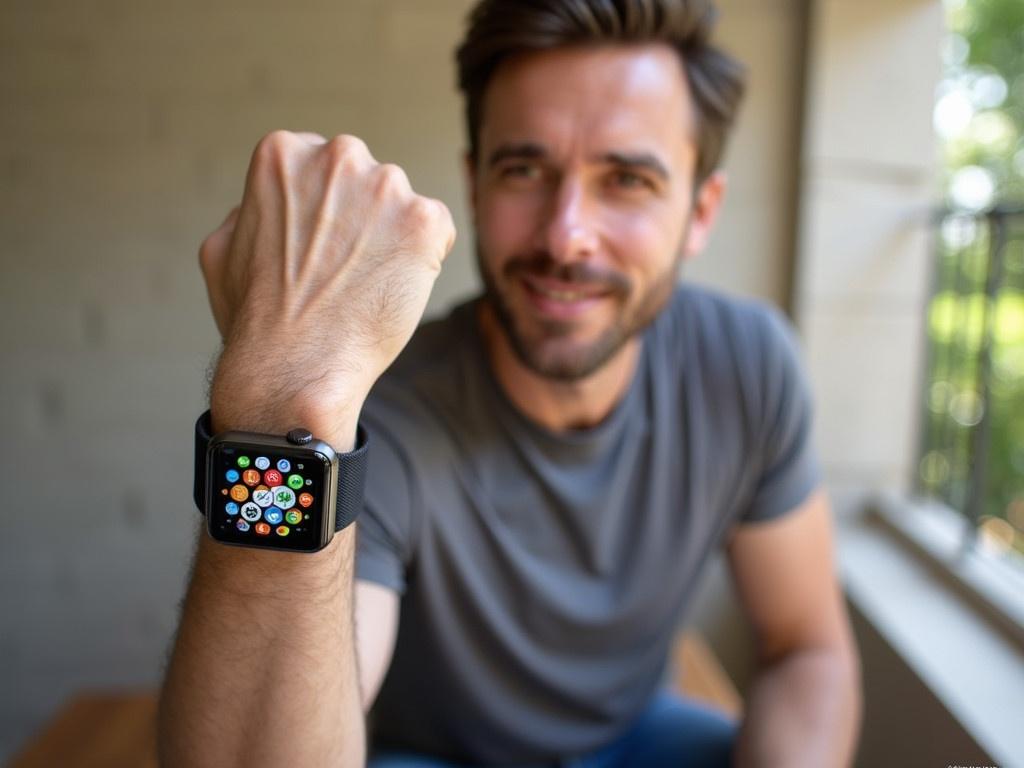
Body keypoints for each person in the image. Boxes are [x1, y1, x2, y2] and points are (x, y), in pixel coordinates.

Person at [158, 0, 862, 766]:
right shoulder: (379, 406)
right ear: (475, 187)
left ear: (701, 210)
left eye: (626, 179)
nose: (565, 235)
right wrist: (284, 405)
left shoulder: (746, 362)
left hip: (636, 738)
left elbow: (806, 649)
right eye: (524, 169)